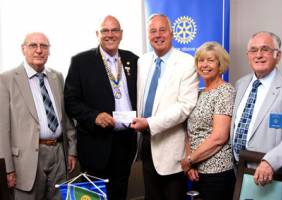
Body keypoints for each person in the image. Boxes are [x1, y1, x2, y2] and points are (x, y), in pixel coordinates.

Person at [64, 15, 138, 200]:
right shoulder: (81, 62)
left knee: (120, 193)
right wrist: (94, 116)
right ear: (97, 34)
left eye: (114, 30)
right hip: (95, 144)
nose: (110, 35)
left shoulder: (134, 60)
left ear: (121, 34)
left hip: (125, 143)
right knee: (95, 196)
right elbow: (70, 101)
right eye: (105, 30)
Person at [0, 32, 77, 200]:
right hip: (25, 160)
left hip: (58, 153)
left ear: (49, 51)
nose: (39, 50)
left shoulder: (57, 76)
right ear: (23, 49)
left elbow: (67, 117)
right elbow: (2, 129)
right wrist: (8, 168)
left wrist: (71, 150)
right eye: (33, 45)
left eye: (44, 46)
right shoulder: (6, 79)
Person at [131, 14, 199, 200]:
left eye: (162, 30)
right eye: (153, 31)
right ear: (148, 35)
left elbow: (185, 107)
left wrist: (149, 123)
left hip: (171, 150)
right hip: (146, 144)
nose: (158, 35)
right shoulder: (142, 62)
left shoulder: (186, 63)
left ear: (172, 33)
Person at [231, 31, 282, 199]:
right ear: (248, 56)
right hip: (238, 173)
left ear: (278, 55)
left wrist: (271, 161)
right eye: (253, 50)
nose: (259, 55)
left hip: (274, 177)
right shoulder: (240, 84)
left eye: (265, 49)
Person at [180, 42, 236, 200]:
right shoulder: (197, 93)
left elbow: (219, 137)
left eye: (210, 60)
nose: (205, 65)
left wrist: (190, 160)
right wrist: (191, 164)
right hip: (197, 172)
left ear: (220, 64)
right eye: (201, 60)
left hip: (217, 173)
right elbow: (189, 132)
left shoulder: (225, 91)